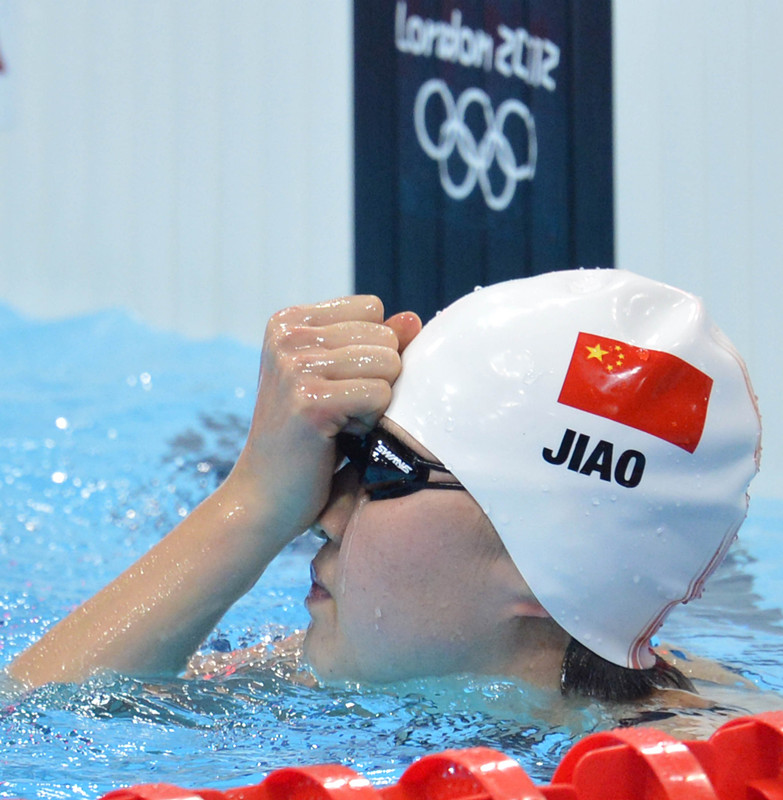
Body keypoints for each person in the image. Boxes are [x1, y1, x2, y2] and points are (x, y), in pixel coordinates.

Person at [8, 269, 761, 703]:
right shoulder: (354, 668)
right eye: (351, 448)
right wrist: (250, 503)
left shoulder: (709, 765)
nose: (322, 511)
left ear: (547, 567)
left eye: (378, 471)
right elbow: (33, 713)